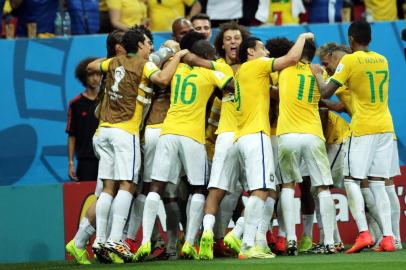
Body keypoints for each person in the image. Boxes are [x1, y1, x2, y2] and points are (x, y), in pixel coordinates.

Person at [88, 27, 188, 262]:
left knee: (108, 187)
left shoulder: (114, 63)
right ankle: (115, 241)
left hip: (103, 132)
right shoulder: (144, 65)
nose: (150, 47)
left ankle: (100, 240)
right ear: (140, 46)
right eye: (147, 43)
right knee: (128, 185)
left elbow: (92, 66)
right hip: (125, 132)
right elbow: (163, 79)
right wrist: (178, 57)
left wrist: (117, 59)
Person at [133, 37, 234, 262]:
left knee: (155, 186)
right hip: (192, 136)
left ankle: (144, 242)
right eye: (212, 55)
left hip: (168, 132)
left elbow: (158, 75)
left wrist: (176, 56)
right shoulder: (210, 72)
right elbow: (231, 87)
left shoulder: (175, 69)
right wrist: (219, 68)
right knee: (198, 188)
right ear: (206, 57)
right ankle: (189, 242)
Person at [311, 20, 396, 253]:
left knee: (351, 180)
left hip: (363, 128)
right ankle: (388, 237)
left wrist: (318, 74)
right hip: (386, 126)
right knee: (378, 184)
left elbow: (325, 91)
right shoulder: (382, 59)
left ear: (350, 39)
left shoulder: (349, 60)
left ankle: (364, 233)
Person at [232, 32, 313, 259]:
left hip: (243, 135)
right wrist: (302, 37)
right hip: (256, 134)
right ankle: (247, 244)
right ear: (251, 52)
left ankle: (254, 241)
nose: (266, 53)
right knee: (260, 189)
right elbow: (291, 59)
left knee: (265, 189)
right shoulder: (255, 65)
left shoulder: (241, 72)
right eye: (262, 48)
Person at [65, 31, 125, 265]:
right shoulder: (109, 67)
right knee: (116, 192)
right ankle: (100, 243)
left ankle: (83, 242)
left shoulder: (117, 68)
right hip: (111, 137)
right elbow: (92, 64)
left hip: (111, 136)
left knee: (107, 194)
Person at [66, 58, 101, 182]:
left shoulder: (107, 101)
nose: (95, 78)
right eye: (91, 75)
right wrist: (71, 163)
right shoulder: (75, 104)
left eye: (98, 74)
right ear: (83, 77)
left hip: (106, 158)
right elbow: (72, 135)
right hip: (85, 160)